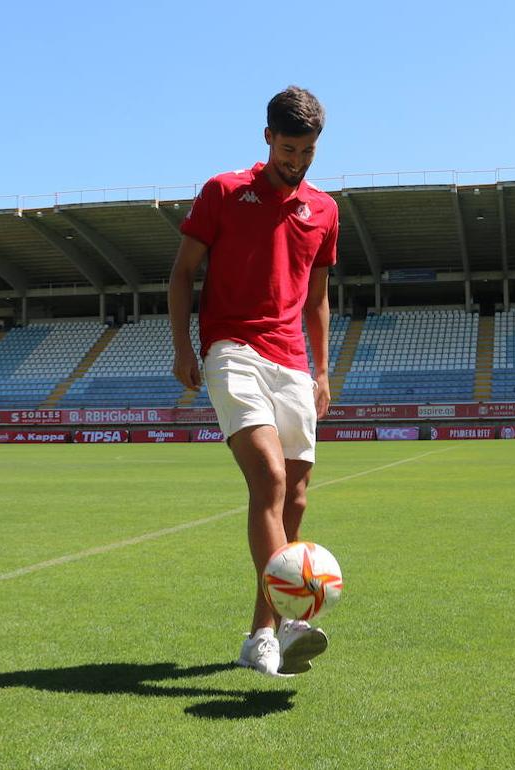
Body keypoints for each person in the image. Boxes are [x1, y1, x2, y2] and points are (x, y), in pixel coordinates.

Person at [168, 86, 339, 677]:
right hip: (232, 348)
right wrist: (183, 346)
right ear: (267, 137)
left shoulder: (325, 210)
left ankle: (259, 636)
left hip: (292, 359)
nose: (297, 161)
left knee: (292, 498)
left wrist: (321, 368)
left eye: (308, 151)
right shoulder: (223, 191)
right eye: (289, 149)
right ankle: (294, 619)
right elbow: (183, 273)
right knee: (265, 474)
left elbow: (317, 297)